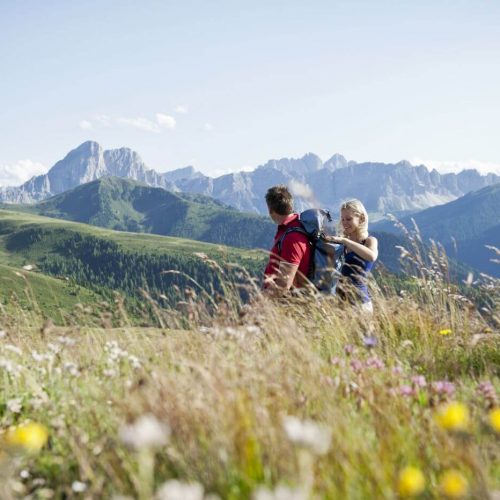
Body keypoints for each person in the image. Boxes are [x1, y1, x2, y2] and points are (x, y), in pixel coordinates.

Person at [327, 199, 378, 312]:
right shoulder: (341, 245)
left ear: (361, 218)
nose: (345, 222)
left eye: (349, 219)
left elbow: (372, 256)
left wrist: (345, 241)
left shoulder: (369, 241)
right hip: (341, 303)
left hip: (360, 304)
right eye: (343, 219)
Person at [263, 185, 312, 294]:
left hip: (286, 305)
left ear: (270, 210)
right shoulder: (290, 229)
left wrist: (255, 306)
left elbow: (283, 286)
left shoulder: (292, 238)